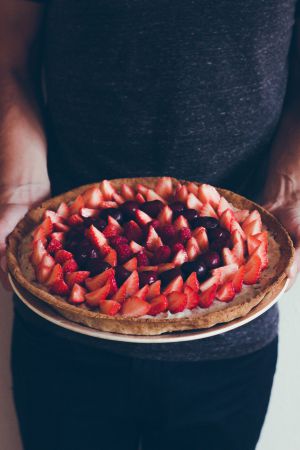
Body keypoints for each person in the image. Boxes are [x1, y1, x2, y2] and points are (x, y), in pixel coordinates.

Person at [1, 1, 300, 449]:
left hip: (233, 335)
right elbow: (8, 46)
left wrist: (290, 191)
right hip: (60, 321)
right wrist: (17, 191)